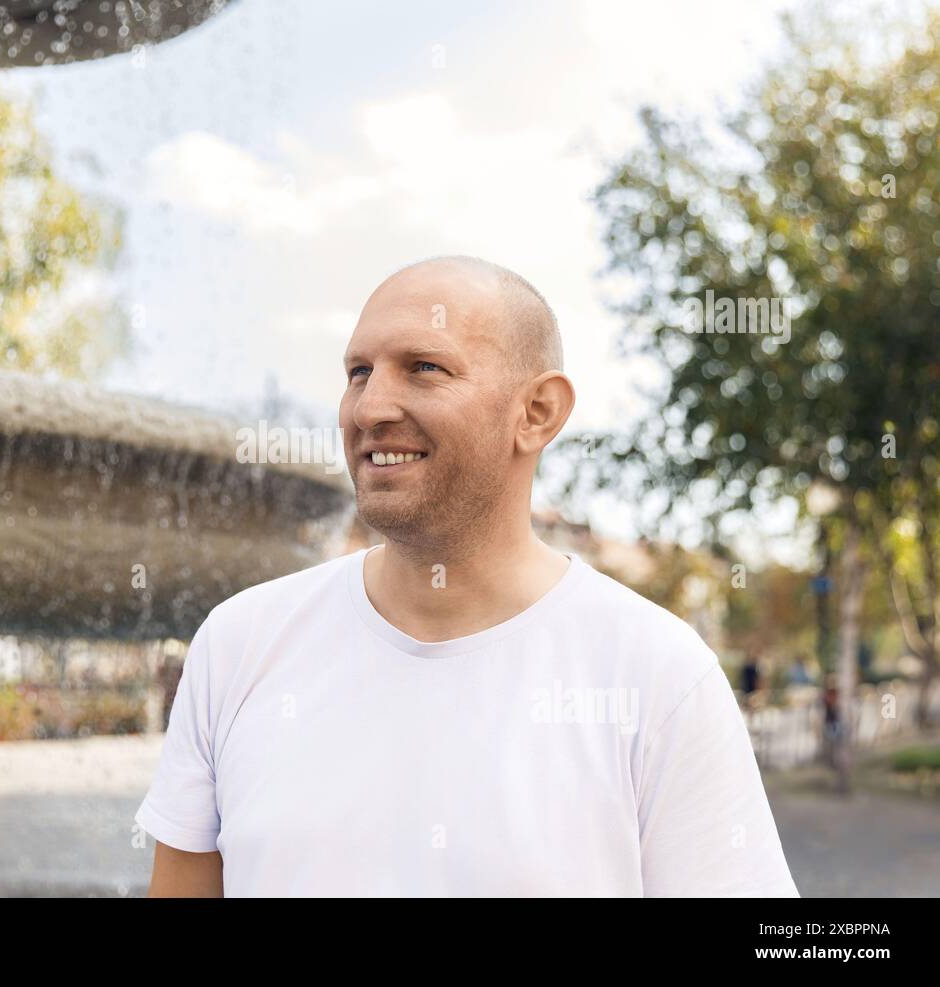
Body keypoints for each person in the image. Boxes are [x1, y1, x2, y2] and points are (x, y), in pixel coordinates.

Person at [134, 255, 800, 897]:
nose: (369, 409)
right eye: (359, 372)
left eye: (424, 367)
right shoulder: (237, 644)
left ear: (537, 412)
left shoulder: (658, 675)